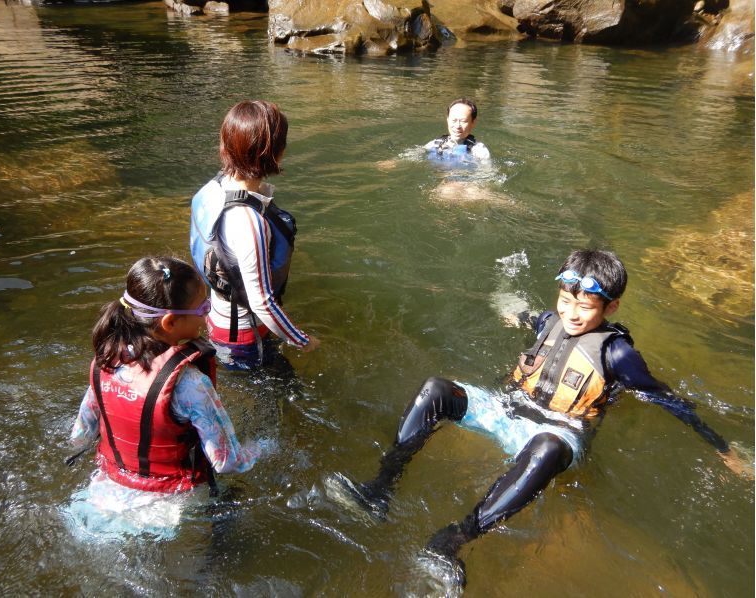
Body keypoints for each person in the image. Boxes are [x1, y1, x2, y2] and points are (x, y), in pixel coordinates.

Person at [325, 249, 751, 586]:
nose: (572, 313)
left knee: (545, 447)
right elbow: (525, 314)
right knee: (438, 387)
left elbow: (668, 399)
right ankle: (379, 488)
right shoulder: (550, 321)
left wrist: (723, 448)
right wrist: (503, 300)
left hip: (559, 435)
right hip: (507, 411)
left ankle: (452, 541)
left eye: (585, 307)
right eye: (566, 301)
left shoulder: (617, 354)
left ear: (611, 306)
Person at [68, 257, 262, 535]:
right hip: (170, 509)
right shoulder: (191, 383)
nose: (207, 315)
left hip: (101, 497)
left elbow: (81, 435)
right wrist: (263, 448)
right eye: (203, 307)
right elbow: (227, 462)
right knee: (238, 506)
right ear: (170, 322)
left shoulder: (105, 362)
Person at [190, 100, 320, 371]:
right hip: (243, 337)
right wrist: (303, 341)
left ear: (226, 145)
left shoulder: (213, 189)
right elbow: (262, 302)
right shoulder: (248, 221)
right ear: (277, 153)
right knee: (280, 394)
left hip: (217, 317)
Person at [423, 98, 490, 163]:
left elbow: (486, 172)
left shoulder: (479, 151)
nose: (457, 126)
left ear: (473, 122)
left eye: (463, 121)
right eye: (454, 120)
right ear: (448, 120)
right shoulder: (435, 144)